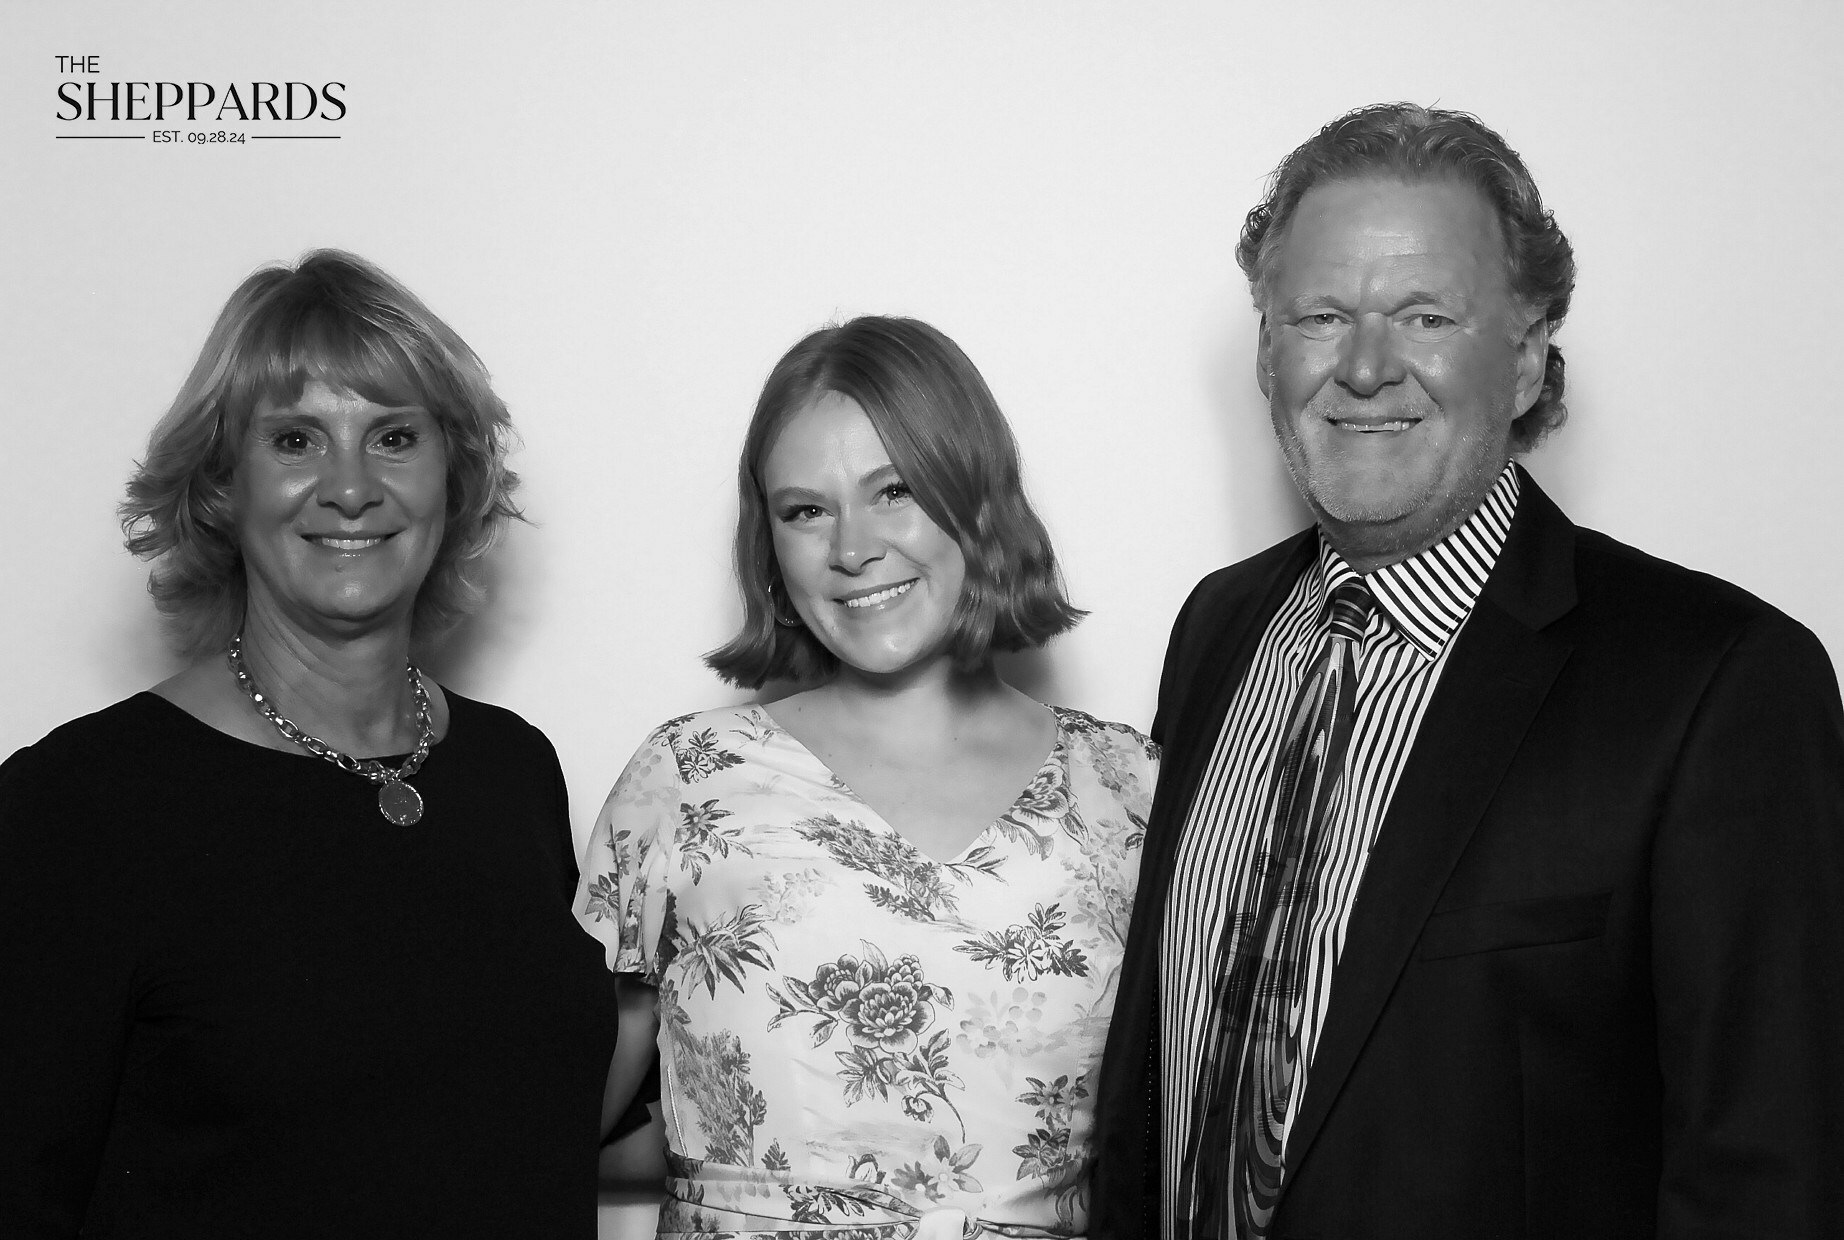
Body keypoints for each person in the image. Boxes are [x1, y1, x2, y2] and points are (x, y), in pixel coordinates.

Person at [1092, 103, 1844, 1239]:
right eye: (1319, 316)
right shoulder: (1218, 628)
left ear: (1528, 352)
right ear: (1265, 350)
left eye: (1425, 316)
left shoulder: (1719, 685)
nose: (1363, 367)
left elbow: (1768, 1174)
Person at [0, 250, 620, 1238]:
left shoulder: (513, 770)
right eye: (295, 439)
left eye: (394, 437)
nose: (350, 487)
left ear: (453, 474)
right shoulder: (79, 805)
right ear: (221, 484)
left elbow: (513, 1120)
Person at [575, 316, 1157, 1240]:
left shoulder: (1130, 787)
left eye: (895, 491)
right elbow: (548, 1122)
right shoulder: (685, 780)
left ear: (977, 499)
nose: (852, 548)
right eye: (805, 510)